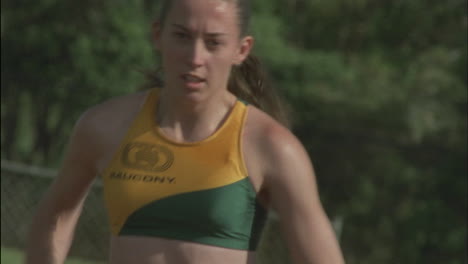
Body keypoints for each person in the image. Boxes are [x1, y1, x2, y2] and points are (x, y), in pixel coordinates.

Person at [26, 0, 346, 263]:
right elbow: (54, 217)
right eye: (182, 36)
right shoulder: (104, 126)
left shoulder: (273, 146)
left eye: (213, 43)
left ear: (242, 49)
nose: (195, 58)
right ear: (157, 35)